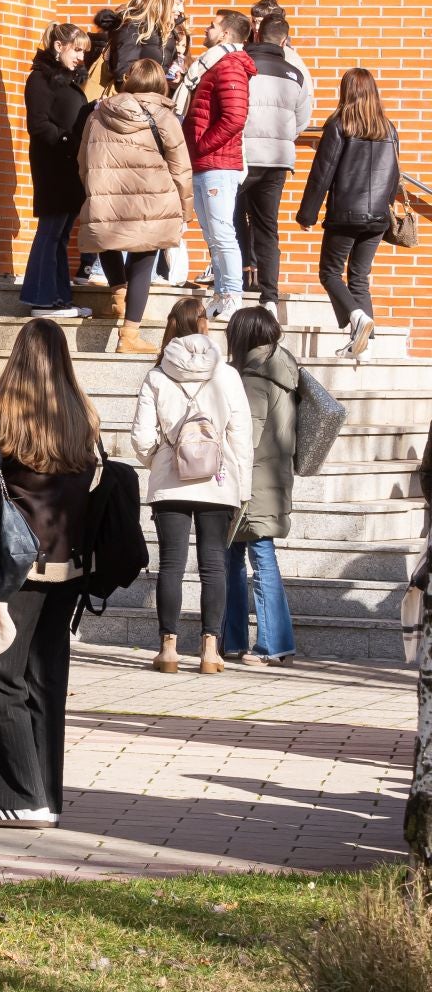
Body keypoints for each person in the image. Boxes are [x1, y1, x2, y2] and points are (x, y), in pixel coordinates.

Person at [0, 319, 97, 829]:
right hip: (70, 564)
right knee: (47, 679)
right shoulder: (81, 414)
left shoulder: (3, 413)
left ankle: (19, 797)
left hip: (18, 564)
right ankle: (47, 793)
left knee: (1, 675)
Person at [130, 296, 253, 676]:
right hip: (217, 481)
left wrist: (163, 461)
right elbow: (241, 434)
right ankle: (210, 651)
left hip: (171, 483)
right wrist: (241, 485)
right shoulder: (227, 374)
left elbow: (140, 438)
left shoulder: (157, 374)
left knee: (171, 564)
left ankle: (168, 649)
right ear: (203, 325)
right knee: (214, 566)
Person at [77, 58, 194, 355]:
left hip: (107, 194)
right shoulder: (164, 116)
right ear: (160, 84)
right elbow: (180, 167)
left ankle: (118, 292)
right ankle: (129, 336)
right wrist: (185, 210)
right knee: (143, 261)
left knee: (108, 241)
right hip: (153, 198)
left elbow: (83, 160)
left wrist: (93, 188)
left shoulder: (99, 113)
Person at [298, 68, 400, 358]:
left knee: (329, 272)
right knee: (359, 277)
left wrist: (308, 214)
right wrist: (385, 208)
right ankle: (366, 344)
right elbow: (394, 175)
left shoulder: (340, 124)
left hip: (346, 215)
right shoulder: (389, 128)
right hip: (378, 217)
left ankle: (357, 318)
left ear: (346, 91)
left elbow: (322, 173)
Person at [221, 305, 298, 667]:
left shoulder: (253, 379)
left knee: (256, 559)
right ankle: (234, 639)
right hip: (272, 479)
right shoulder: (282, 369)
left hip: (251, 482)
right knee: (238, 557)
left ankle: (271, 644)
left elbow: (244, 440)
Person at [236, 15, 313, 314]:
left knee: (228, 221)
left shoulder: (241, 64)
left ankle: (230, 285)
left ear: (256, 33)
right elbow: (301, 120)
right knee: (267, 228)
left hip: (241, 155)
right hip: (277, 161)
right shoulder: (295, 73)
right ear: (284, 41)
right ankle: (269, 296)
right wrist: (281, 139)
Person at [183, 11, 256, 320]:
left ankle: (232, 296)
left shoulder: (229, 66)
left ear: (226, 34)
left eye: (213, 25)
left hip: (217, 164)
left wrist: (203, 144)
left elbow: (235, 117)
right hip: (205, 162)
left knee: (222, 232)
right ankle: (221, 293)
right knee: (213, 232)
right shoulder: (212, 65)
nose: (206, 28)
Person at [22, 22, 94, 318]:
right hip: (53, 166)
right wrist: (68, 142)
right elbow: (38, 124)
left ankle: (59, 296)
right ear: (58, 46)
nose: (81, 57)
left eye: (83, 52)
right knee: (51, 231)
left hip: (67, 167)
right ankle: (42, 297)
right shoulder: (40, 78)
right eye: (77, 50)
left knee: (61, 233)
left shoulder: (65, 80)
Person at [110, 0, 190, 88]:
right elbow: (123, 74)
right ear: (163, 0)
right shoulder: (133, 26)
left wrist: (172, 76)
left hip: (156, 100)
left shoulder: (169, 30)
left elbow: (163, 68)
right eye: (178, 3)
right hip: (135, 101)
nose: (181, 9)